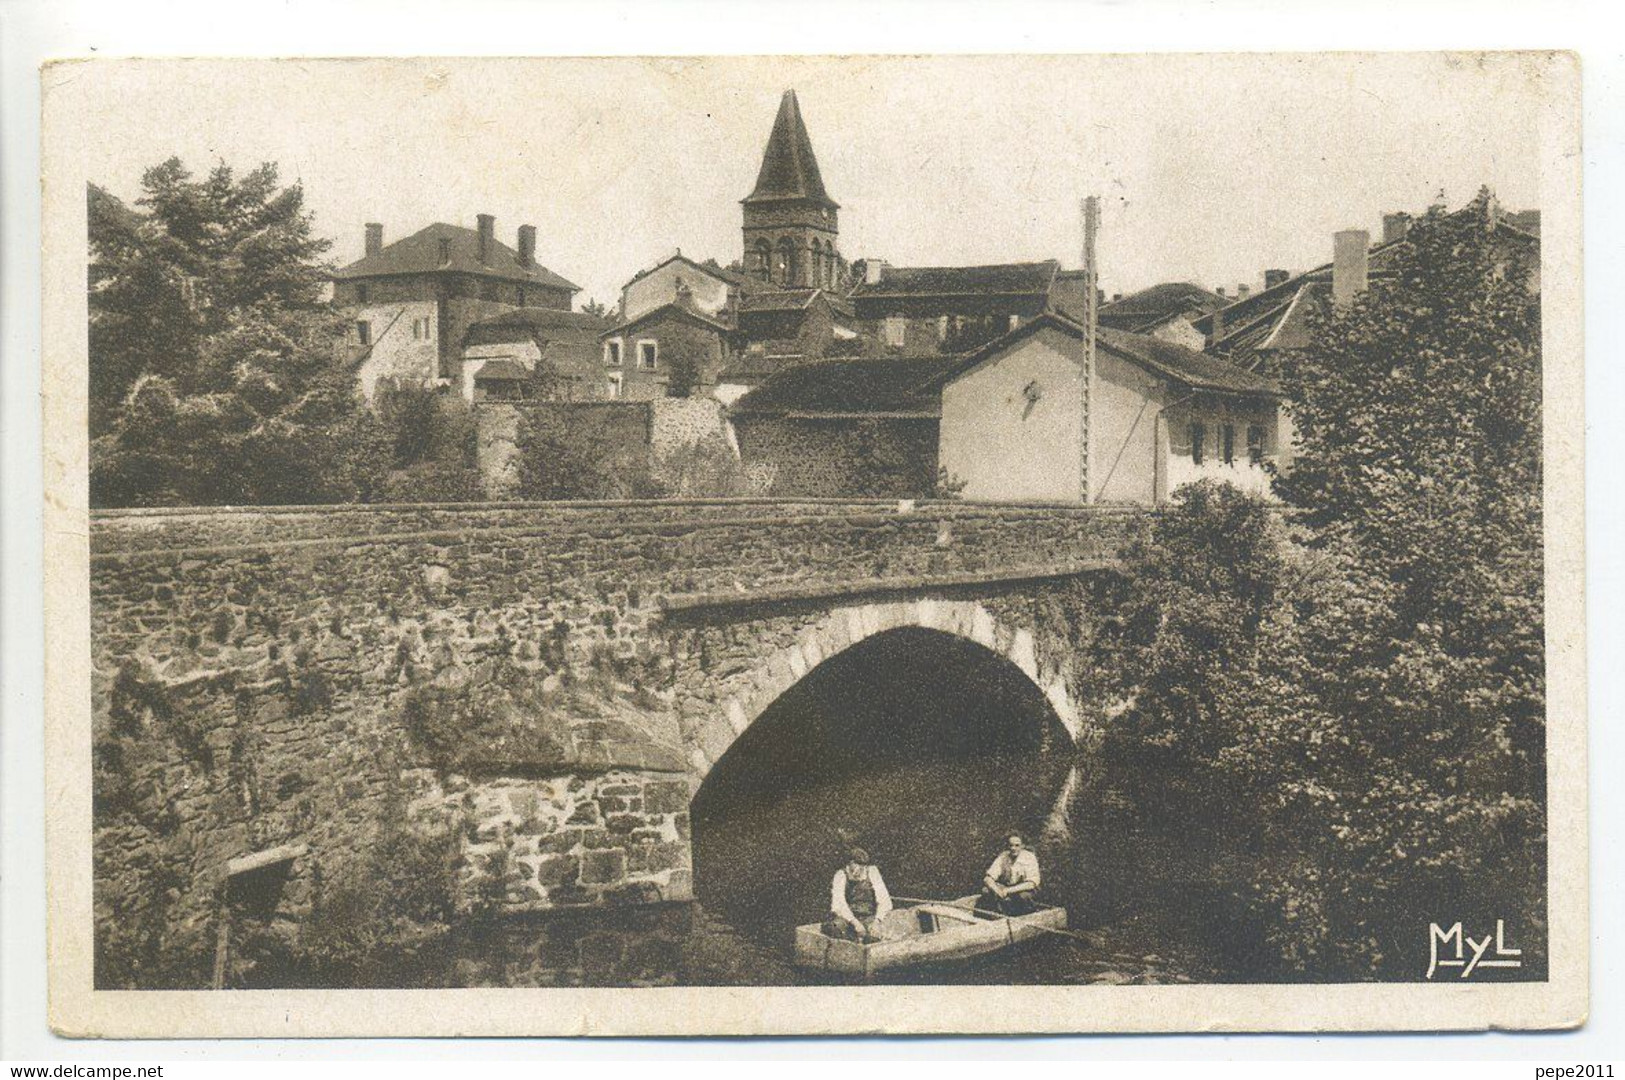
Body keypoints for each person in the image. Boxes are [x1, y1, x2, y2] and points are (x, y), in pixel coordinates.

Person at [822, 847, 894, 942]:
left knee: (874, 936)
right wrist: (855, 923)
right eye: (857, 864)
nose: (860, 869)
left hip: (868, 916)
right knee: (835, 928)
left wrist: (877, 921)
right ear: (850, 863)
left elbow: (884, 900)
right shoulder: (841, 875)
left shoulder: (872, 871)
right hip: (846, 918)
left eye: (863, 866)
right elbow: (839, 905)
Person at [977, 832, 1041, 916]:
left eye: (1017, 845)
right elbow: (988, 878)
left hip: (1023, 889)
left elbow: (1031, 884)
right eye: (1011, 845)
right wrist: (997, 890)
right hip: (1006, 888)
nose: (1013, 848)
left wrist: (1008, 891)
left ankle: (1024, 916)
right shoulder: (1003, 857)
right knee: (986, 891)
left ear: (1022, 846)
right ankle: (1000, 915)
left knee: (1024, 896)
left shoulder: (1029, 858)